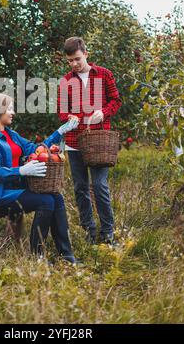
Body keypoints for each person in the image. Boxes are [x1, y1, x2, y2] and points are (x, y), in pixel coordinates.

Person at [0, 92, 80, 264]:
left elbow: (35, 149)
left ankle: (67, 255)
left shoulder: (11, 134)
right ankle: (37, 256)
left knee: (56, 197)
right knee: (46, 201)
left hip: (17, 191)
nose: (12, 112)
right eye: (9, 108)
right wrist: (21, 171)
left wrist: (60, 131)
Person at [57, 37, 122, 245]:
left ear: (86, 53)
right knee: (80, 187)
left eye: (77, 59)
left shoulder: (104, 74)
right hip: (74, 141)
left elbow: (116, 100)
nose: (74, 64)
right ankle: (89, 230)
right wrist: (69, 117)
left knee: (99, 184)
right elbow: (61, 110)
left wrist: (103, 112)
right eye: (70, 61)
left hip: (98, 140)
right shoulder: (66, 81)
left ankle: (108, 231)